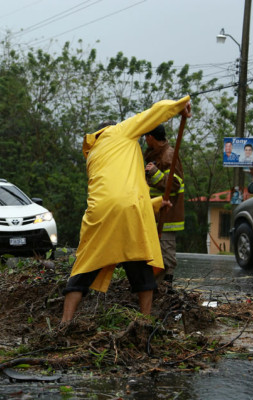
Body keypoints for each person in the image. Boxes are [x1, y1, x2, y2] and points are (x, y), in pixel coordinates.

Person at [61, 96, 191, 324]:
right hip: (130, 212)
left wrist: (154, 203)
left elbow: (113, 194)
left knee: (81, 271)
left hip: (97, 215)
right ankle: (145, 322)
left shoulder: (92, 155)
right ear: (112, 128)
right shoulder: (120, 132)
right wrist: (180, 105)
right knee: (140, 266)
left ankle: (64, 323)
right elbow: (156, 112)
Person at [144, 124, 184, 287]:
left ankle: (166, 290)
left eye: (146, 137)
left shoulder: (169, 156)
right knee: (152, 257)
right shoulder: (154, 155)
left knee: (166, 257)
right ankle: (155, 289)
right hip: (153, 216)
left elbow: (174, 184)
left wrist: (154, 172)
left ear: (150, 137)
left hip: (167, 217)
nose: (145, 140)